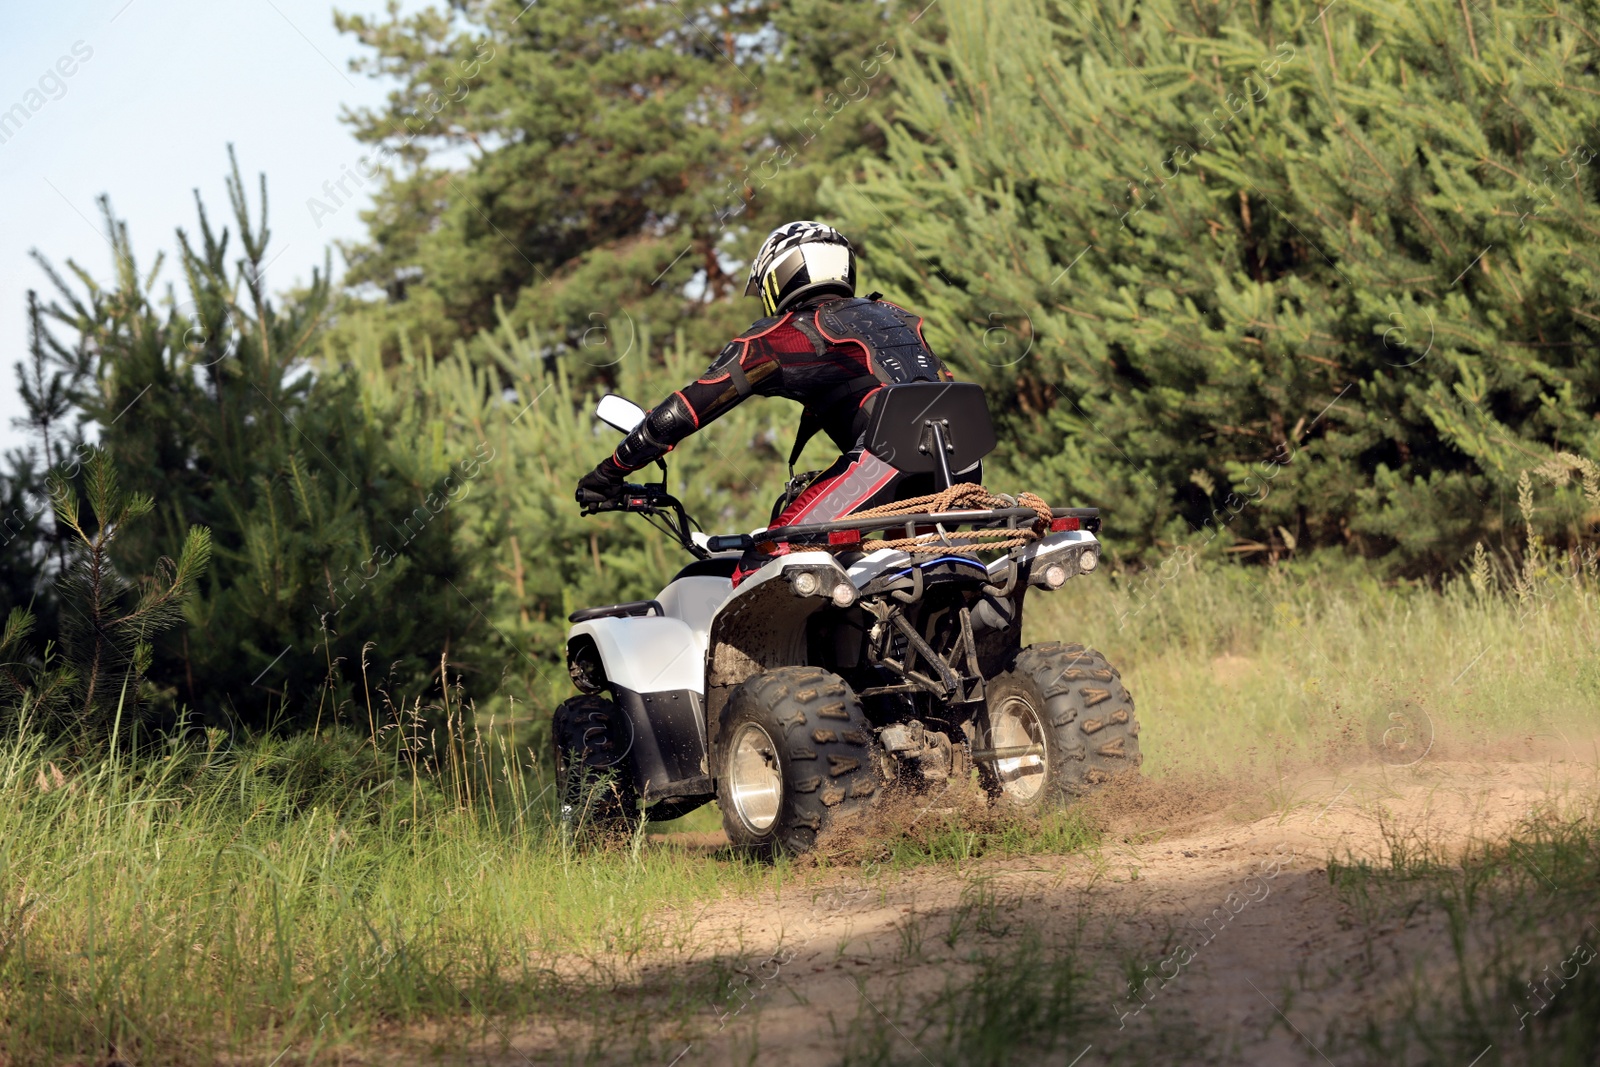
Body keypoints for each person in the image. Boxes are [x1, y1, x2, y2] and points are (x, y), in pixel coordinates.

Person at [575, 221, 972, 583]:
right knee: (900, 571)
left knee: (764, 566)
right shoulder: (896, 317)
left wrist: (608, 473)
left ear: (780, 276)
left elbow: (686, 409)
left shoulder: (784, 334)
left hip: (880, 466)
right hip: (963, 462)